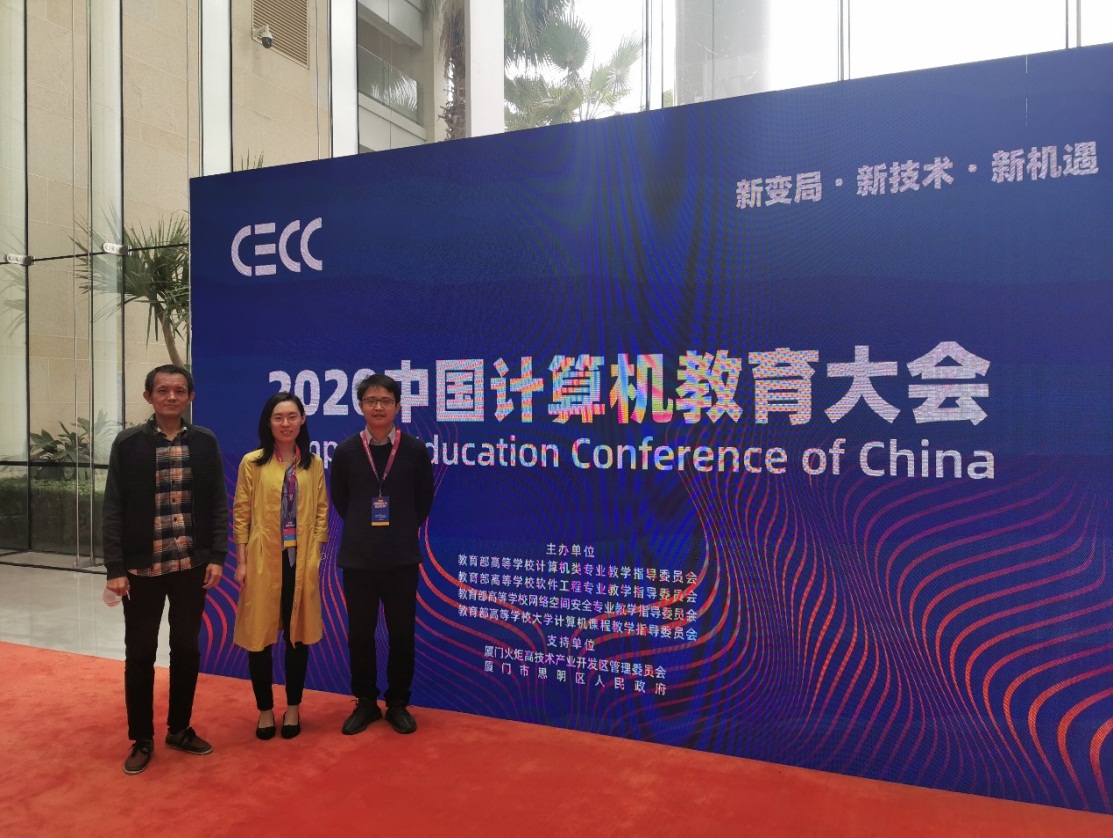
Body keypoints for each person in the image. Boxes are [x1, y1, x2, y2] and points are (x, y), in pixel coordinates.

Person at [102, 364, 228, 775]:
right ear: (149, 397)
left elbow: (217, 503)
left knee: (186, 649)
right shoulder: (128, 444)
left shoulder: (205, 442)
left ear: (190, 397)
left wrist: (217, 556)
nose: (171, 397)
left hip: (191, 565)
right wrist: (115, 567)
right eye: (162, 390)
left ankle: (179, 728)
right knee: (140, 653)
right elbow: (113, 507)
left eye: (179, 390)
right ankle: (142, 737)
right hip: (142, 569)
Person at [330, 373, 435, 736]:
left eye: (386, 401)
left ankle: (398, 702)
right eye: (371, 400)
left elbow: (424, 501)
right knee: (360, 634)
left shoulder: (415, 450)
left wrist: (399, 529)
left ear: (397, 406)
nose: (378, 407)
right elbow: (341, 501)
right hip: (358, 559)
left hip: (401, 558)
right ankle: (365, 702)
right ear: (361, 406)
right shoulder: (346, 451)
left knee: (401, 633)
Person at [232, 392, 329, 741]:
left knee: (297, 638)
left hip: (300, 563)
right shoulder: (253, 462)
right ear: (268, 422)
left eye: (292, 416)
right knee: (260, 639)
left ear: (302, 419)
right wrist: (242, 561)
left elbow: (321, 512)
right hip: (263, 561)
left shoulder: (312, 464)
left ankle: (293, 708)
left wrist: (315, 556)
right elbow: (241, 513)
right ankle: (264, 710)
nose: (285, 424)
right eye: (278, 417)